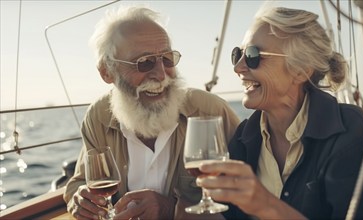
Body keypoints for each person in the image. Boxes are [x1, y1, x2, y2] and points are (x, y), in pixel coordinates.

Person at [197, 6, 363, 219]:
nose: (238, 68)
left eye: (253, 55)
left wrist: (266, 205)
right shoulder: (245, 137)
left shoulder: (350, 130)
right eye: (238, 54)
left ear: (300, 71)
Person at [63, 5, 240, 220]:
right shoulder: (98, 116)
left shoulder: (211, 111)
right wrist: (79, 200)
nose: (160, 74)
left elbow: (245, 199)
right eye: (144, 63)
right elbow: (81, 183)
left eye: (167, 59)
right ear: (107, 72)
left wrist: (171, 209)